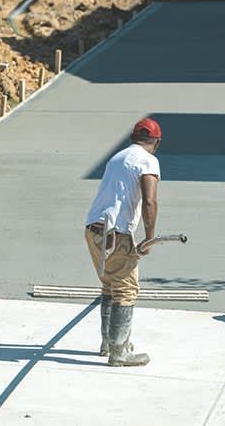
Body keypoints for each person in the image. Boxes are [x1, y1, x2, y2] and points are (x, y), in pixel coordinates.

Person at [85, 117, 162, 366]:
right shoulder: (148, 161)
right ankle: (120, 352)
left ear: (133, 139)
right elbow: (150, 201)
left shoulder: (116, 158)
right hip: (116, 234)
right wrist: (150, 238)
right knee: (126, 290)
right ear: (156, 142)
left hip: (93, 229)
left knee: (110, 285)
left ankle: (108, 343)